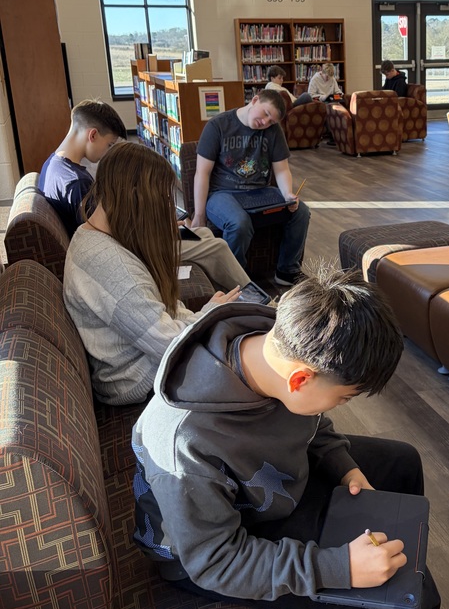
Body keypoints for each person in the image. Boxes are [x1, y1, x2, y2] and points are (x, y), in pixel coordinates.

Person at [132, 266, 449, 609]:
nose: (341, 406)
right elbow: (214, 563)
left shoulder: (282, 342)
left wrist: (344, 466)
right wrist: (339, 568)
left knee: (400, 462)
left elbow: (312, 422)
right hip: (215, 549)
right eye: (343, 398)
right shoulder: (185, 445)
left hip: (268, 489)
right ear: (300, 380)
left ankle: (395, 596)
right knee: (414, 597)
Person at [64, 141, 240, 406]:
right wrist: (209, 314)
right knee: (249, 363)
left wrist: (203, 314)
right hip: (138, 380)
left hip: (142, 361)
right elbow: (169, 343)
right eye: (164, 200)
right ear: (136, 197)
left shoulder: (90, 235)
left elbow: (161, 315)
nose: (168, 210)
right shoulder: (111, 267)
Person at [40, 99, 250, 292]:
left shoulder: (53, 165)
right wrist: (157, 227)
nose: (108, 152)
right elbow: (107, 233)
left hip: (121, 242)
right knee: (217, 246)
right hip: (128, 251)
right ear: (93, 135)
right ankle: (253, 297)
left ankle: (227, 294)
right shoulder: (76, 183)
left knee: (202, 233)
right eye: (110, 145)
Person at [193, 89, 310, 287]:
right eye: (265, 114)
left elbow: (281, 170)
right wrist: (199, 215)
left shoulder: (273, 132)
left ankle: (287, 271)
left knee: (301, 212)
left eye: (271, 121)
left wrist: (288, 194)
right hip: (223, 194)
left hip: (259, 192)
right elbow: (202, 173)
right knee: (239, 223)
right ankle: (234, 280)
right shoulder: (218, 125)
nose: (265, 123)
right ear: (254, 100)